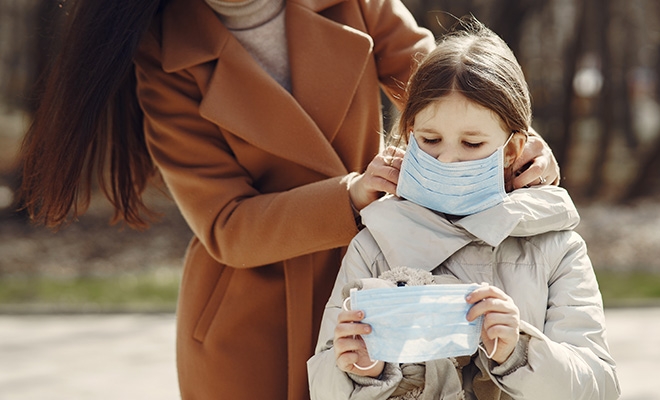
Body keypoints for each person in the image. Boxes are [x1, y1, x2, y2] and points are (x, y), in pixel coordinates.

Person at [19, 1, 560, 399]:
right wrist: (350, 194)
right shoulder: (164, 57)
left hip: (382, 284)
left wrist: (522, 145)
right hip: (249, 318)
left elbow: (456, 92)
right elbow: (227, 224)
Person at [308, 19, 620, 400]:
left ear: (511, 148)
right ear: (408, 135)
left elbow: (598, 387)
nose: (449, 159)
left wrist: (518, 352)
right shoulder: (374, 242)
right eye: (430, 139)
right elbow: (325, 384)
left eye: (472, 143)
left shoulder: (557, 248)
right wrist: (364, 370)